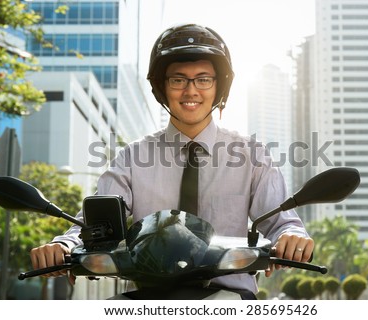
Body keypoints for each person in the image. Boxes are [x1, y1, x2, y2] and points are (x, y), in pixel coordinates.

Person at [30, 23, 314, 298]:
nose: (191, 91)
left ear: (219, 87)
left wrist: (291, 237)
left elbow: (280, 222)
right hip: (148, 299)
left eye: (203, 79)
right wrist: (63, 245)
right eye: (178, 79)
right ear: (162, 87)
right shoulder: (132, 157)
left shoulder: (252, 155)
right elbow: (93, 225)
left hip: (231, 298)